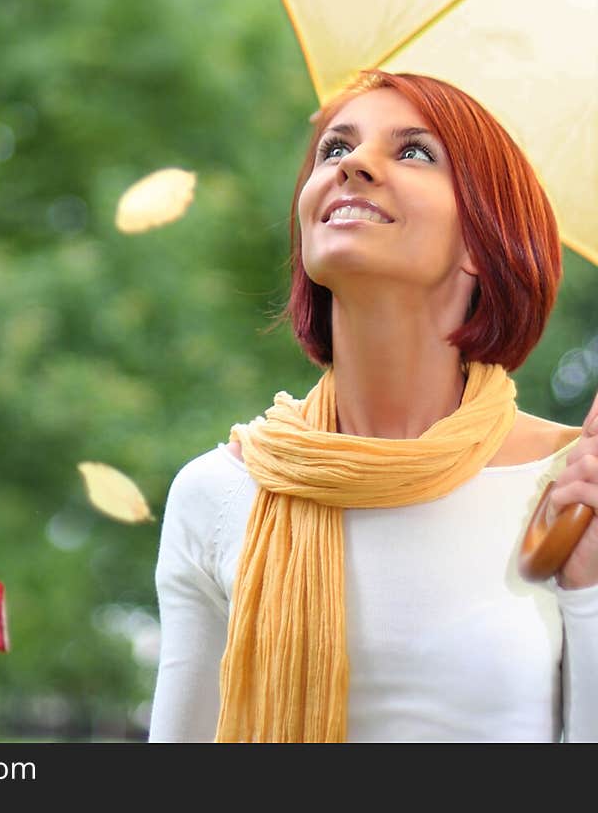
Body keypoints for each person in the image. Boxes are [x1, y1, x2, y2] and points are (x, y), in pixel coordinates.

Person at [148, 69, 598, 743]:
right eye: (335, 149)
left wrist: (590, 593)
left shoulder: (572, 491)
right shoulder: (218, 492)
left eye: (413, 151)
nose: (353, 163)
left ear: (482, 240)